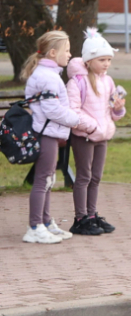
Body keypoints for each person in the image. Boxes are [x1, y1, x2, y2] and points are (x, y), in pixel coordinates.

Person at [20, 30, 86, 244]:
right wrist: (75, 118)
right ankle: (35, 226)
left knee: (48, 179)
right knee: (43, 180)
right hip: (45, 133)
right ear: (52, 53)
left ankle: (46, 222)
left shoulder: (49, 74)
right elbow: (52, 110)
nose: (69, 54)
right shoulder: (46, 76)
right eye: (66, 51)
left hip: (49, 133)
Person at [64, 28, 126, 236]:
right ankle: (80, 217)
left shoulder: (108, 81)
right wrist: (91, 127)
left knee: (96, 176)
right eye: (102, 59)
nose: (106, 64)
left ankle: (92, 215)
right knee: (84, 176)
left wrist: (118, 108)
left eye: (109, 59)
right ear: (89, 61)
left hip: (103, 136)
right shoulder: (77, 83)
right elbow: (73, 111)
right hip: (85, 136)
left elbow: (112, 110)